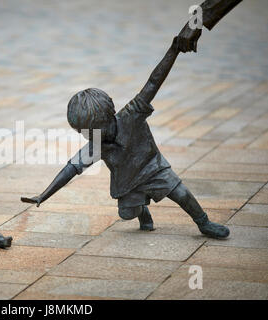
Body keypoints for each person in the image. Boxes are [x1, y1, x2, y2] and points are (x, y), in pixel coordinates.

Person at [21, 18, 231, 239]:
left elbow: (153, 82)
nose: (86, 136)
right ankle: (143, 211)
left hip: (154, 167)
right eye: (82, 132)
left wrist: (174, 49)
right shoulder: (97, 145)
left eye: (89, 130)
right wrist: (43, 196)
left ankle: (204, 223)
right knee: (127, 213)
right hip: (128, 181)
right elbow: (70, 169)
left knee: (181, 193)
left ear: (107, 119)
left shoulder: (132, 115)